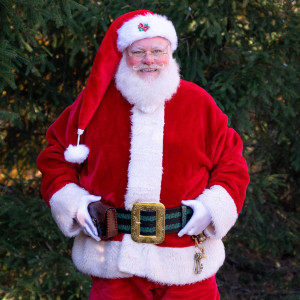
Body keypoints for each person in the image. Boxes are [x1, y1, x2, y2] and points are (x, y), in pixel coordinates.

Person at [37, 10, 249, 299]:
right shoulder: (93, 105)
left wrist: (211, 209)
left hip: (187, 260)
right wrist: (75, 204)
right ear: (124, 54)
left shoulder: (198, 103)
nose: (149, 60)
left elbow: (232, 163)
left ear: (169, 53)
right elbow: (55, 157)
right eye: (138, 52)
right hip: (114, 263)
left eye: (157, 51)